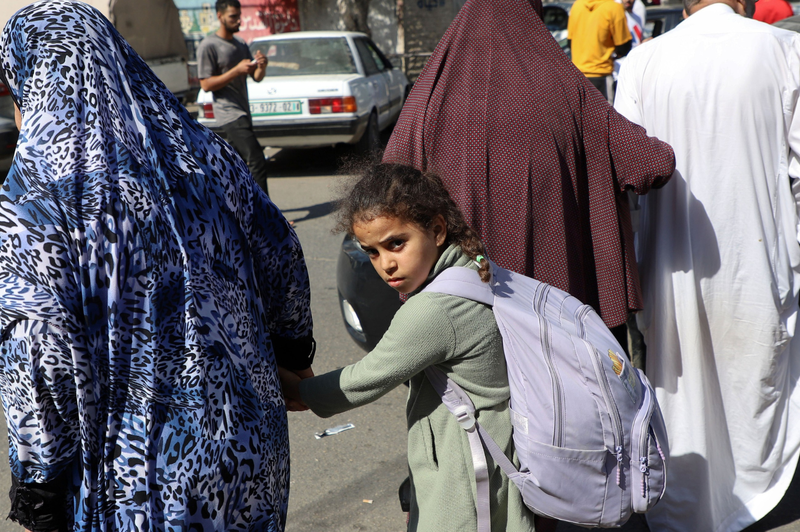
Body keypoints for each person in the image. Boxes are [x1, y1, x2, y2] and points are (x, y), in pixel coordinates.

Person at [0, 1, 314, 531]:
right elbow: (281, 253)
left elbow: (39, 352)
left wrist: (40, 488)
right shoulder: (206, 154)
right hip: (247, 451)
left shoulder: (35, 198)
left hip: (139, 479)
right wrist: (291, 350)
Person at [383, 0, 675, 350]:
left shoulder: (428, 97)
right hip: (560, 325)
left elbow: (387, 187)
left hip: (463, 323)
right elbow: (651, 164)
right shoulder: (567, 89)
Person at [614, 0, 800, 529]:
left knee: (683, 393)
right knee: (754, 383)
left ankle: (688, 505)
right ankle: (751, 499)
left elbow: (626, 182)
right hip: (759, 261)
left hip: (670, 266)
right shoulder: (784, 50)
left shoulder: (644, 64)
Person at [280, 163, 534, 532]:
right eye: (372, 252)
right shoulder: (473, 268)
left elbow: (363, 380)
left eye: (396, 243)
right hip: (492, 449)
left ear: (437, 229)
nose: (386, 264)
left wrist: (293, 388)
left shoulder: (433, 309)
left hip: (465, 470)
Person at [198, 0, 270, 195]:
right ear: (220, 16)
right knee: (256, 159)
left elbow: (256, 77)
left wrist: (262, 66)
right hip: (229, 114)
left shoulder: (240, 44)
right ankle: (267, 217)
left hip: (243, 111)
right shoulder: (209, 45)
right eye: (233, 17)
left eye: (239, 16)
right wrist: (236, 70)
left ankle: (238, 213)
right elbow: (205, 84)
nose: (238, 20)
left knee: (234, 169)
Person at [567, 0, 632, 102]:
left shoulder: (577, 5)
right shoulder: (614, 8)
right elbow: (624, 46)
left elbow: (570, 42)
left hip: (577, 77)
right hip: (601, 75)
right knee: (605, 117)